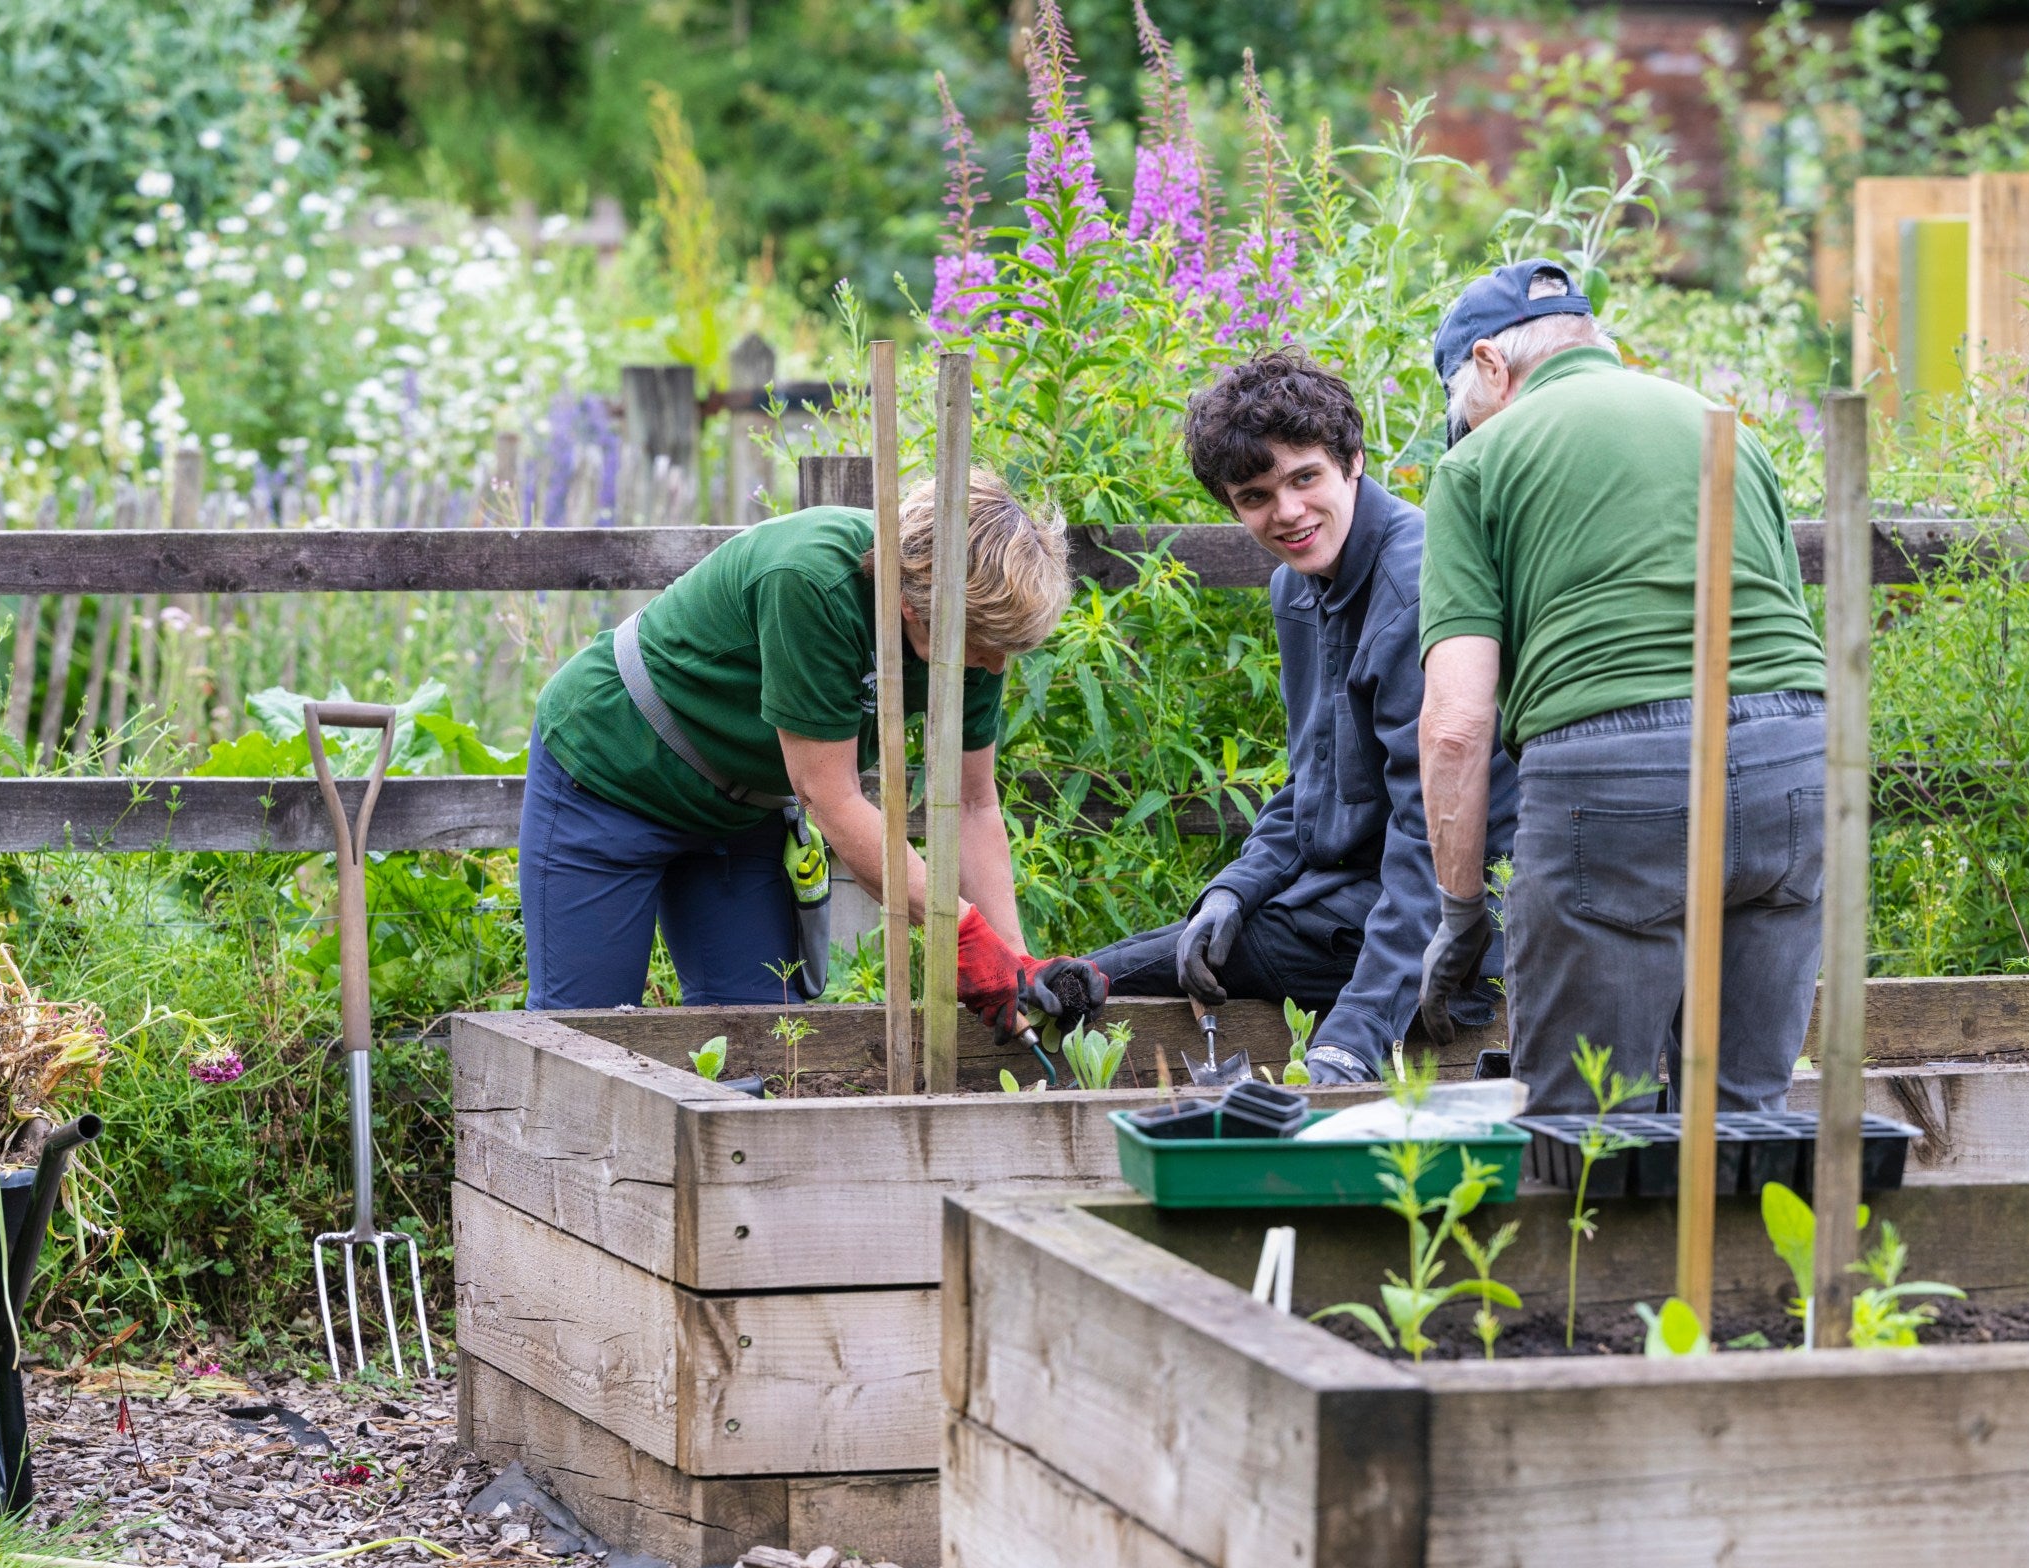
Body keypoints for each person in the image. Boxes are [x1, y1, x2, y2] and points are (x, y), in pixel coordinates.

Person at [1414, 259, 1829, 1114]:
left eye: (1464, 407)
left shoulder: (1478, 463)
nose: (1468, 427)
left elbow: (1456, 724)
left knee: (1588, 1130)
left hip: (1614, 778)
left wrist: (1460, 917)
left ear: (1491, 365)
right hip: (1799, 761)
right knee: (1742, 1119)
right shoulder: (1729, 429)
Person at [521, 470, 1107, 1038]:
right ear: (912, 602)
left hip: (739, 813)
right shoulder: (811, 580)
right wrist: (959, 929)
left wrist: (1016, 966)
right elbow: (829, 797)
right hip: (611, 776)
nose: (998, 667)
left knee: (762, 1040)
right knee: (584, 1035)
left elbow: (974, 805)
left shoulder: (977, 634)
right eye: (988, 645)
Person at [1081, 350, 1516, 1087]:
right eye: (1255, 495)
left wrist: (1353, 1036)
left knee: (1236, 949)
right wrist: (1231, 889)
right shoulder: (1298, 588)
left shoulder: (1413, 589)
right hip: (1359, 891)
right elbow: (1312, 790)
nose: (1286, 512)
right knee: (1221, 933)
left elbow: (1432, 840)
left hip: (1470, 910)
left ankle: (1073, 979)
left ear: (1352, 460)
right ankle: (1073, 979)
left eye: (1304, 477)